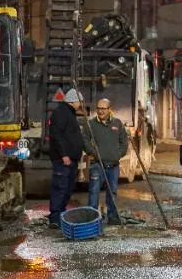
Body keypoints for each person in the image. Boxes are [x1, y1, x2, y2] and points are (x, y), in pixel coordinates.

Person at [47, 88, 87, 228]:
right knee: (60, 188)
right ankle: (55, 219)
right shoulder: (60, 113)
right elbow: (56, 136)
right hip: (64, 159)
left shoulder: (69, 113)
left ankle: (61, 216)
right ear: (73, 101)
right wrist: (64, 155)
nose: (80, 104)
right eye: (79, 101)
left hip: (72, 159)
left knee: (68, 189)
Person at [86, 97, 129, 224]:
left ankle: (112, 217)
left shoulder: (117, 123)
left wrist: (118, 154)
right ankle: (92, 219)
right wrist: (93, 152)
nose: (100, 111)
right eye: (98, 108)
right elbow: (84, 140)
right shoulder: (91, 124)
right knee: (94, 192)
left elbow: (124, 142)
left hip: (113, 166)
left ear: (109, 109)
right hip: (97, 165)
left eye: (103, 108)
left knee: (112, 192)